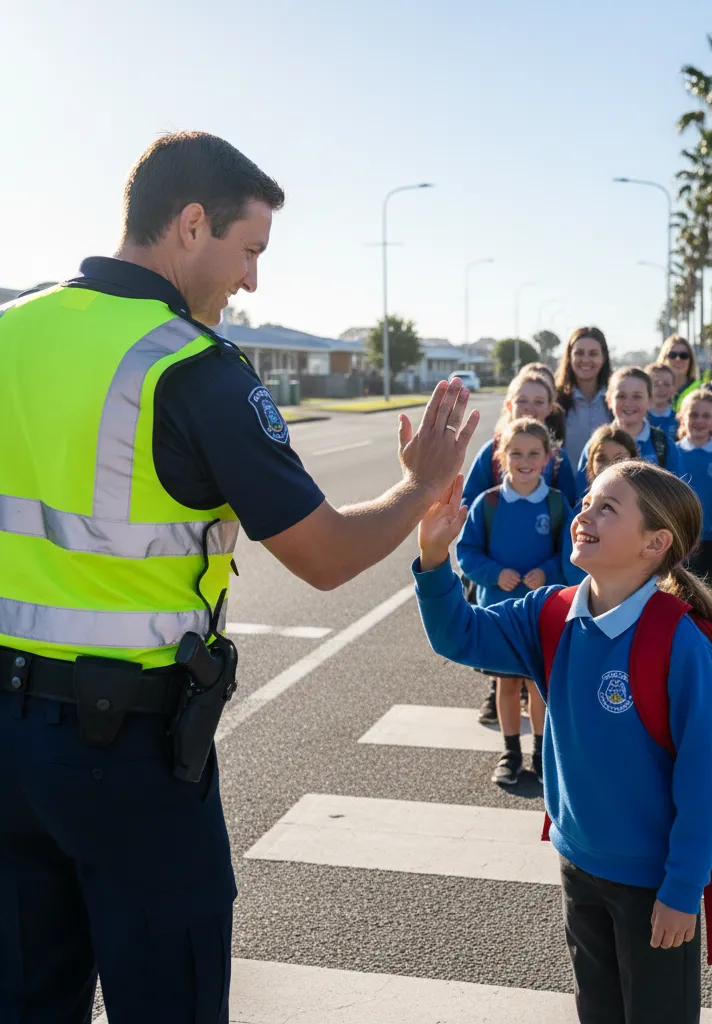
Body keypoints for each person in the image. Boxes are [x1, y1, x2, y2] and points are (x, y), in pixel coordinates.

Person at [0, 131, 479, 1023]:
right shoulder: (191, 366)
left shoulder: (9, 333)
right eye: (249, 250)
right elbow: (326, 557)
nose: (252, 281)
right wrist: (419, 484)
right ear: (191, 225)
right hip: (126, 754)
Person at [414, 461, 712, 1024]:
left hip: (652, 880)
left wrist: (683, 888)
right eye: (587, 500)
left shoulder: (679, 641)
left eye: (607, 507)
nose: (584, 512)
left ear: (654, 543)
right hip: (578, 861)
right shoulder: (553, 612)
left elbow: (706, 779)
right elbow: (458, 633)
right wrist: (435, 558)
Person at [456, 419, 570, 786]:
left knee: (538, 685)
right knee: (506, 685)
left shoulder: (556, 503)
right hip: (498, 611)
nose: (525, 460)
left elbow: (570, 555)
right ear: (502, 457)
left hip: (541, 611)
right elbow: (467, 552)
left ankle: (539, 753)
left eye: (534, 453)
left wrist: (547, 571)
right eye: (516, 453)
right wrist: (494, 573)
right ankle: (511, 752)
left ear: (548, 458)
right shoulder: (487, 502)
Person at [463, 372, 576, 510]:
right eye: (522, 401)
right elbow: (469, 505)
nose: (529, 407)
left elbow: (569, 508)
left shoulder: (557, 458)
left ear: (549, 409)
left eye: (539, 402)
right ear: (509, 406)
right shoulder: (491, 451)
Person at [575, 367, 685, 493]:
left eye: (637, 396)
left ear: (649, 401)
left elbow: (678, 494)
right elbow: (581, 497)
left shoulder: (663, 444)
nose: (628, 403)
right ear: (609, 400)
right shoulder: (595, 445)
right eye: (621, 396)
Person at [562, 426, 638, 586]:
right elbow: (572, 565)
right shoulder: (580, 511)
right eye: (601, 458)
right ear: (590, 463)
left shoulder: (642, 510)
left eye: (619, 458)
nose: (610, 465)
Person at [678, 388, 712, 595]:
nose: (699, 421)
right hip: (679, 538)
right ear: (682, 417)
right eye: (693, 414)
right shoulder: (673, 452)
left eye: (706, 415)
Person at [556, 326, 613, 465]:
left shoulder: (617, 399)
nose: (586, 359)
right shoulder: (555, 401)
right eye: (579, 353)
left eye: (593, 353)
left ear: (603, 357)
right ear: (569, 356)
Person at [519, 360, 567, 444]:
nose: (530, 407)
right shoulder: (495, 445)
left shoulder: (558, 425)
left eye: (545, 385)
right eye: (523, 400)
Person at [657, 334, 700, 411]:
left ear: (691, 360)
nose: (678, 359)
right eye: (672, 355)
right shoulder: (651, 389)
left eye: (683, 355)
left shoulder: (701, 389)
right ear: (664, 358)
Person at [646, 361, 680, 438]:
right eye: (656, 384)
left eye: (667, 384)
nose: (661, 389)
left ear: (674, 388)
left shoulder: (679, 419)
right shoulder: (641, 418)